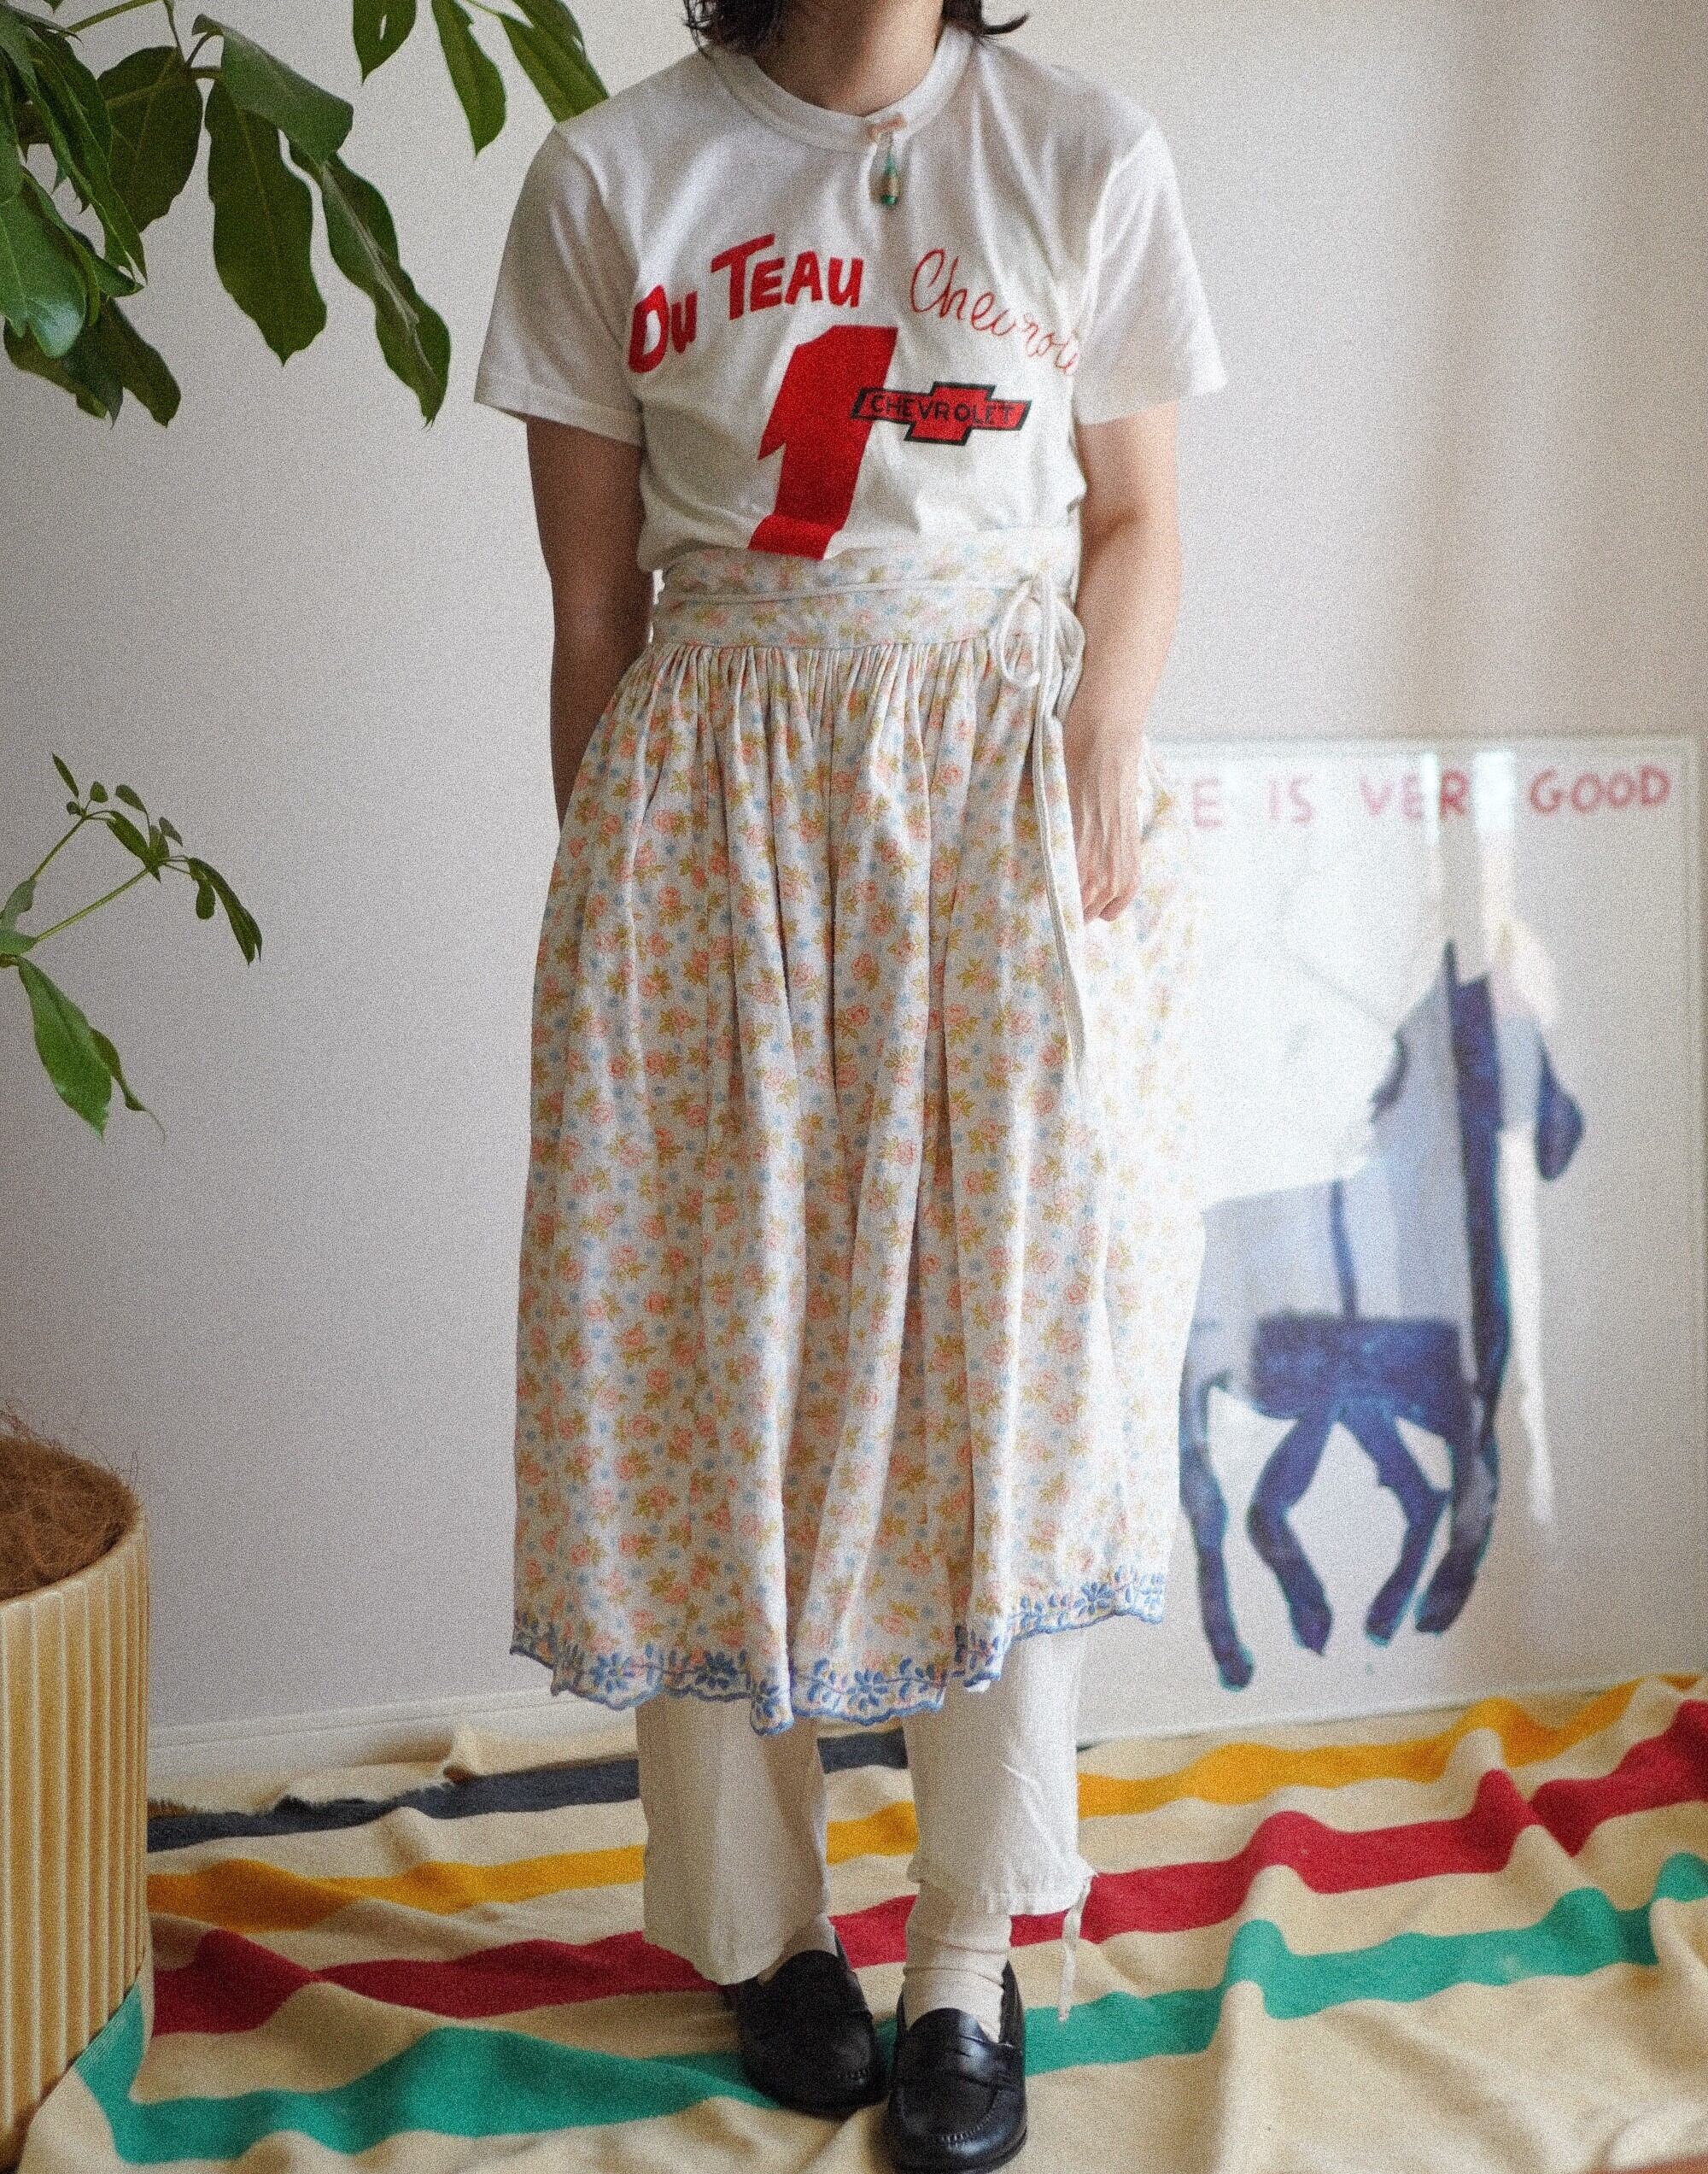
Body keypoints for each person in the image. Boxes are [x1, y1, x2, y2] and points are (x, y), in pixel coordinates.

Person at [472, 0, 1225, 2164]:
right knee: (714, 1364)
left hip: (999, 805)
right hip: (713, 810)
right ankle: (761, 1927)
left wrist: (1101, 729)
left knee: (1009, 1371)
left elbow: (1138, 517)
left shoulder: (1083, 153)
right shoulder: (611, 176)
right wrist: (618, 916)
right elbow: (594, 607)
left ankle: (967, 1957)